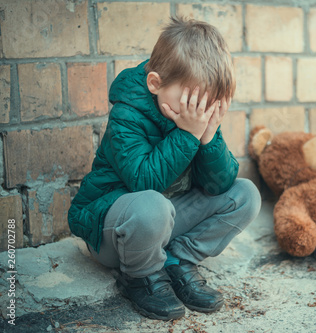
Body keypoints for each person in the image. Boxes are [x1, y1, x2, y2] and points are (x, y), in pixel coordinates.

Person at [68, 17, 261, 321]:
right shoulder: (127, 114)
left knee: (245, 194)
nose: (200, 111)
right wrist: (187, 135)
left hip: (165, 221)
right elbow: (144, 180)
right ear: (155, 84)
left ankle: (177, 261)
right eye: (192, 100)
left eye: (208, 104)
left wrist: (207, 137)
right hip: (115, 230)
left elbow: (218, 185)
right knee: (152, 206)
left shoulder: (196, 119)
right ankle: (140, 276)